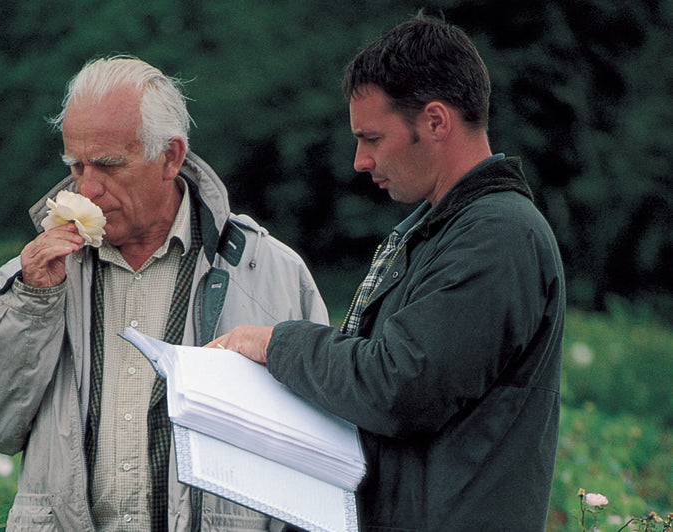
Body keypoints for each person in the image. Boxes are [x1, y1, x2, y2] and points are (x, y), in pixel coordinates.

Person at [211, 13, 565, 532]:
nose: (359, 160)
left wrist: (276, 345)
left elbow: (400, 386)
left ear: (436, 122)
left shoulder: (500, 235)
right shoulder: (434, 232)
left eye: (372, 138)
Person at [0, 56, 328, 531]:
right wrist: (31, 304)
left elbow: (320, 462)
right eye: (76, 165)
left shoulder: (272, 274)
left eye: (107, 166)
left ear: (171, 157)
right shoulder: (32, 277)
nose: (87, 187)